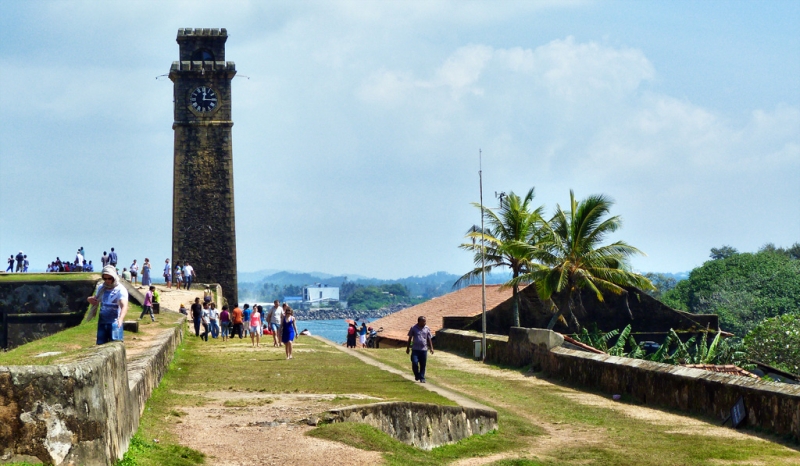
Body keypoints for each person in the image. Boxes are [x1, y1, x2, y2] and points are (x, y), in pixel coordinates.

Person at [87, 266, 129, 345]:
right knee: (100, 345)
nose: (107, 281)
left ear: (114, 277)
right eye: (105, 279)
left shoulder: (120, 289)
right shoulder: (101, 288)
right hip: (103, 322)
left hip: (115, 322)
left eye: (109, 278)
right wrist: (89, 299)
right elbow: (96, 300)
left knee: (116, 344)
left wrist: (121, 319)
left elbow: (124, 305)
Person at [406, 316, 434, 383]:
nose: (425, 322)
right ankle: (417, 375)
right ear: (419, 321)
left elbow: (429, 338)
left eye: (425, 321)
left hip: (424, 349)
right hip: (415, 349)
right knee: (414, 363)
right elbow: (410, 338)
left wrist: (431, 348)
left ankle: (422, 378)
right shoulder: (413, 328)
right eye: (423, 321)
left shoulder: (427, 328)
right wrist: (408, 348)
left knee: (423, 364)